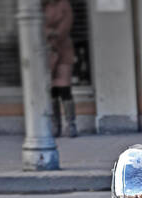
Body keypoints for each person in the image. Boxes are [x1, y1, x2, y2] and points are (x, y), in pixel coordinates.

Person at [45, 0, 77, 137]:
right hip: (46, 52)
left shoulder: (64, 4)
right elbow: (38, 26)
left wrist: (54, 34)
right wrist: (49, 33)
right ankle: (55, 125)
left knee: (64, 88)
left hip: (63, 50)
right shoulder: (42, 6)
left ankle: (70, 125)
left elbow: (66, 26)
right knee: (51, 91)